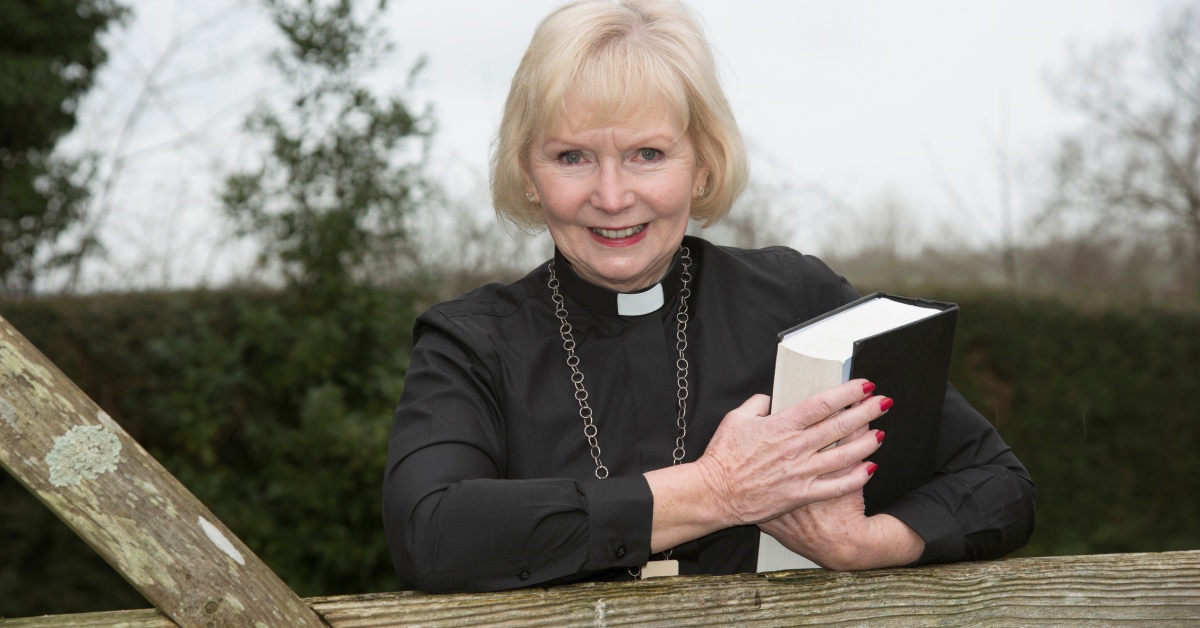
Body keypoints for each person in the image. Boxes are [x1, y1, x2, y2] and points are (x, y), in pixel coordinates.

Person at [383, 0, 1035, 593]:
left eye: (647, 153)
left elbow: (998, 486)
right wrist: (717, 490)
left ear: (703, 164)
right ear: (528, 173)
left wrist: (867, 545)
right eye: (572, 157)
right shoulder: (469, 343)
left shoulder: (795, 299)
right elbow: (431, 532)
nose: (612, 197)